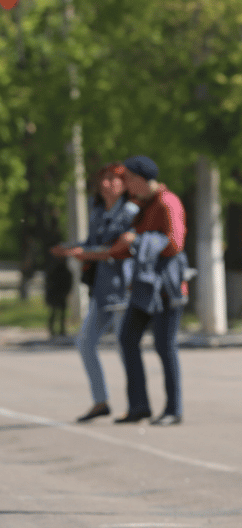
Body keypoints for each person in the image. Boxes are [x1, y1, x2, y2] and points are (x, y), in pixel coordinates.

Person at [50, 162, 141, 422]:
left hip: (123, 289)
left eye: (113, 179)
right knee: (85, 343)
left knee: (126, 348)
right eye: (103, 179)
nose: (106, 184)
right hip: (101, 291)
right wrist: (71, 249)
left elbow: (121, 250)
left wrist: (86, 253)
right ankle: (100, 401)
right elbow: (92, 245)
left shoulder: (131, 212)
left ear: (125, 185)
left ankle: (137, 404)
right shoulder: (98, 211)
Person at [111, 155, 188, 426]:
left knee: (164, 346)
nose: (126, 185)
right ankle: (139, 406)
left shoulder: (168, 202)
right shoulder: (141, 204)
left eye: (128, 179)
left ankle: (173, 409)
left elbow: (175, 244)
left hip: (166, 287)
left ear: (141, 180)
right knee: (127, 338)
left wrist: (139, 239)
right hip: (145, 288)